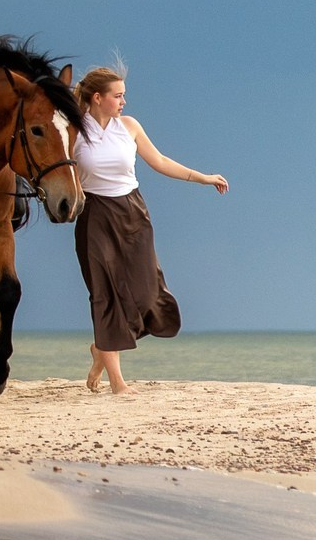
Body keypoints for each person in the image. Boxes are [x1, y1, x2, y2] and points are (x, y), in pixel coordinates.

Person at [71, 66, 228, 394]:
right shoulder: (74, 130)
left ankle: (101, 349)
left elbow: (159, 161)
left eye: (124, 95)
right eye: (118, 96)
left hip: (133, 213)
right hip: (95, 216)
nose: (123, 101)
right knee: (105, 294)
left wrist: (203, 177)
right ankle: (118, 382)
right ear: (97, 98)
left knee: (145, 293)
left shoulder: (129, 127)